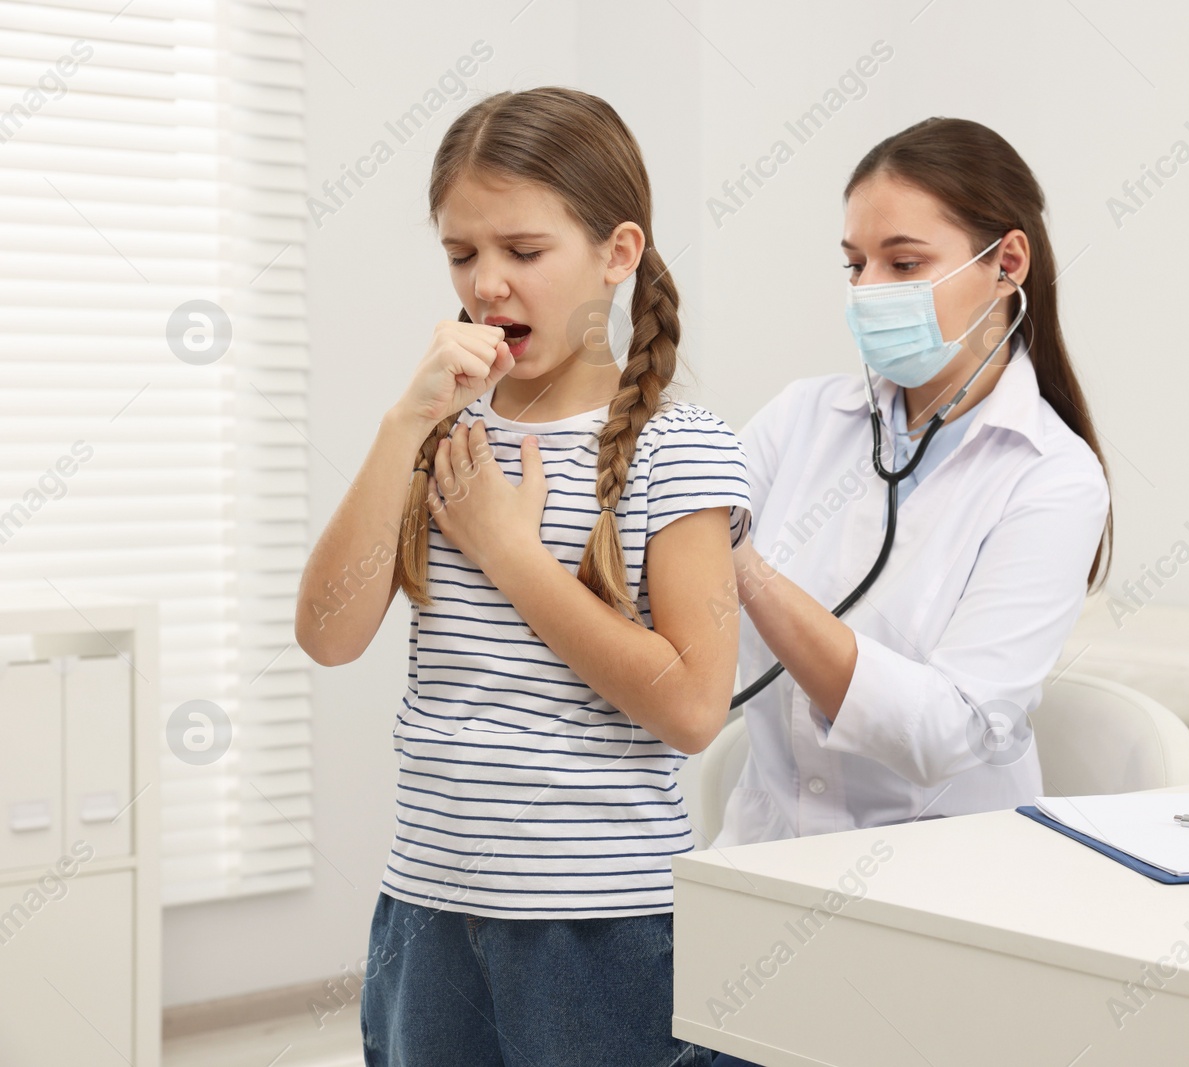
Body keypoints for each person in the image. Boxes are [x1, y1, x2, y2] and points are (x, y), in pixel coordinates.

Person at [294, 87, 747, 1067]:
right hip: (428, 905)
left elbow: (694, 707)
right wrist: (401, 424)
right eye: (461, 254)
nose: (486, 283)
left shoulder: (681, 450)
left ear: (617, 254)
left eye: (523, 252)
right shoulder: (444, 438)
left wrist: (511, 556)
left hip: (601, 925)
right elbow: (328, 632)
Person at [715, 116, 1112, 868]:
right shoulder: (803, 416)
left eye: (903, 263)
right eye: (855, 264)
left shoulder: (1052, 476)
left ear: (1007, 262)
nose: (867, 290)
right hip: (761, 870)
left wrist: (742, 563)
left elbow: (948, 729)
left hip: (945, 893)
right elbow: (662, 541)